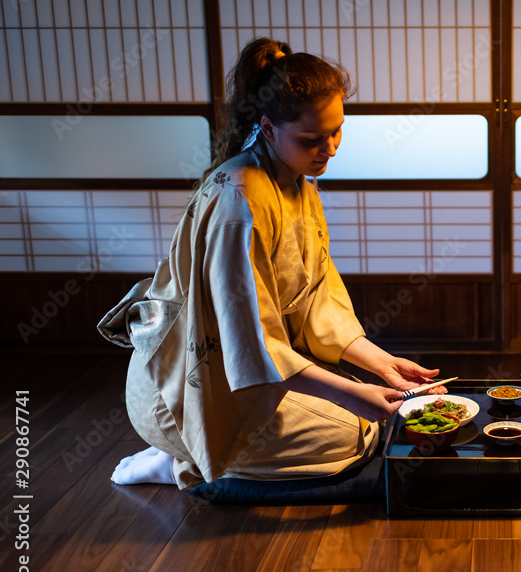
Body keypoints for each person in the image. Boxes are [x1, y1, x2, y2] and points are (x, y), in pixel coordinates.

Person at [100, 38, 444, 488]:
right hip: (187, 387)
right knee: (349, 432)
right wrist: (355, 396)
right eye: (312, 139)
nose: (331, 149)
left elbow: (317, 300)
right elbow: (250, 338)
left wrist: (381, 365)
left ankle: (193, 454)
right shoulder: (239, 202)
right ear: (267, 127)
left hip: (245, 370)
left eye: (337, 131)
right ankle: (180, 456)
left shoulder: (299, 182)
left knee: (370, 414)